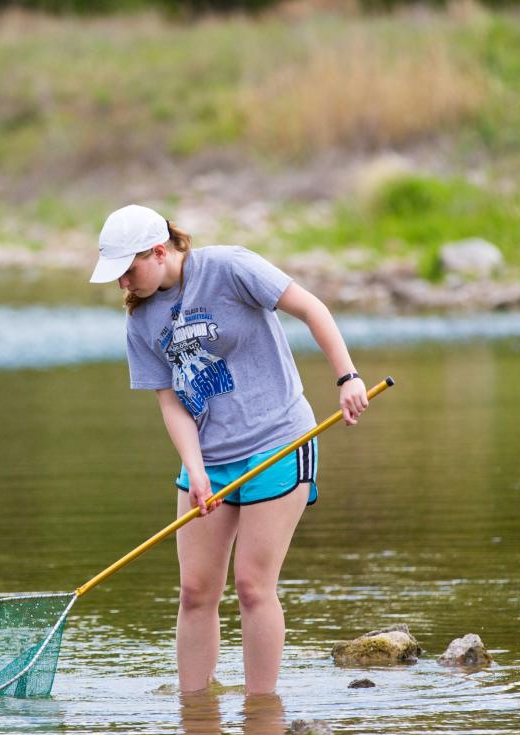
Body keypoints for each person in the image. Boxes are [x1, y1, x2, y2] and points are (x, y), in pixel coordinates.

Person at [89, 204, 369, 696]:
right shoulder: (140, 320)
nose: (123, 285)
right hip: (208, 460)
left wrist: (347, 376)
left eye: (128, 271)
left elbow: (311, 308)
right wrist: (195, 472)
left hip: (278, 443)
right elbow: (172, 402)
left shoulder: (230, 267)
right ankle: (196, 713)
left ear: (159, 252)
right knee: (196, 592)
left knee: (252, 587)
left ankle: (262, 713)